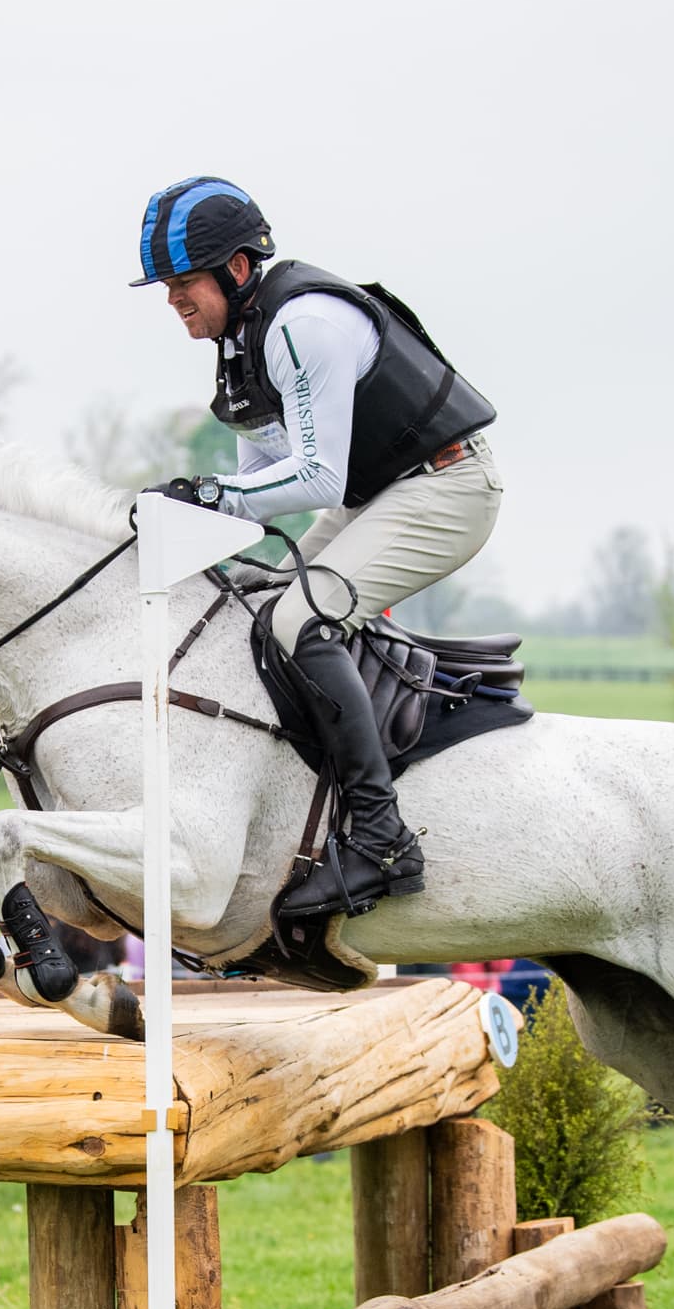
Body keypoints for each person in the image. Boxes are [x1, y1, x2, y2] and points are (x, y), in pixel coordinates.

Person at [134, 176, 502, 920]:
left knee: (298, 623)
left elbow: (315, 477)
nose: (172, 299)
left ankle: (381, 837)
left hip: (447, 488)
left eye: (183, 283)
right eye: (166, 286)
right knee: (254, 605)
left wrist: (206, 497)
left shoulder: (303, 326)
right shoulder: (241, 342)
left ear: (237, 271)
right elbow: (256, 490)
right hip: (387, 493)